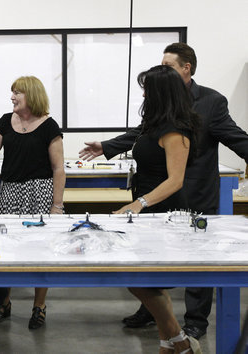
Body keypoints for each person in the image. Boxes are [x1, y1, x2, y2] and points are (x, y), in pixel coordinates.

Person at [79, 42, 248, 339]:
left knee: (198, 266)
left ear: (186, 68)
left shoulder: (211, 102)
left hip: (191, 194)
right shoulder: (160, 106)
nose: (160, 73)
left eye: (167, 67)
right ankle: (154, 311)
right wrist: (107, 146)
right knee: (146, 264)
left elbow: (236, 138)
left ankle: (194, 322)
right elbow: (143, 134)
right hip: (153, 197)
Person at [114, 64, 202, 353]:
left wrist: (138, 204)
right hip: (147, 208)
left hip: (164, 214)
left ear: (161, 93)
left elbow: (175, 181)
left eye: (147, 88)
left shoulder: (176, 130)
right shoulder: (154, 124)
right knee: (145, 281)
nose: (143, 93)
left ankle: (176, 341)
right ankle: (176, 342)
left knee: (141, 279)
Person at [0, 76, 65, 329]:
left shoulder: (49, 126)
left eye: (17, 93)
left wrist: (57, 205)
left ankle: (39, 307)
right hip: (10, 191)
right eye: (12, 92)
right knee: (5, 249)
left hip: (40, 193)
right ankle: (4, 303)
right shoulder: (5, 121)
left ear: (31, 95)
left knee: (41, 251)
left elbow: (58, 168)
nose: (12, 97)